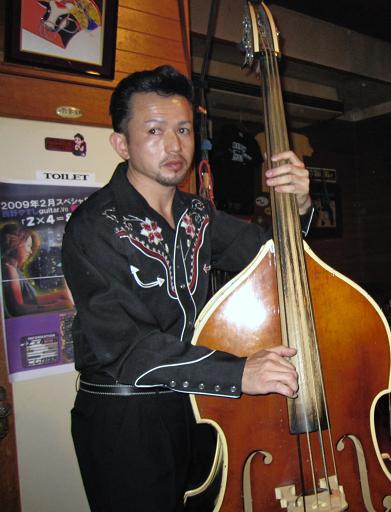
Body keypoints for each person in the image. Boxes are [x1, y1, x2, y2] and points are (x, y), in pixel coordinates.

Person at [61, 65, 312, 511]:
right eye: (154, 130)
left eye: (183, 129)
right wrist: (238, 373)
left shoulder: (198, 214)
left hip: (197, 405)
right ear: (122, 144)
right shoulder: (93, 225)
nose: (175, 145)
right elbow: (128, 348)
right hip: (127, 418)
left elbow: (275, 258)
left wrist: (301, 204)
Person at [1, 223, 73, 316]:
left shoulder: (15, 270)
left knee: (65, 295)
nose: (30, 251)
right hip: (25, 320)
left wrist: (60, 296)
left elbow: (31, 300)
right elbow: (18, 309)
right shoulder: (10, 269)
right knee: (67, 303)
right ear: (15, 244)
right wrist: (56, 306)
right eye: (28, 246)